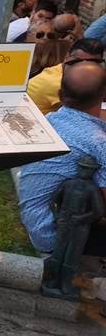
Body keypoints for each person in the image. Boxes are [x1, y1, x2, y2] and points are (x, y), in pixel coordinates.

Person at [19, 61, 106, 253]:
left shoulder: (49, 120)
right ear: (103, 95)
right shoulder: (98, 143)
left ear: (60, 94)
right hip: (55, 236)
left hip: (35, 221)